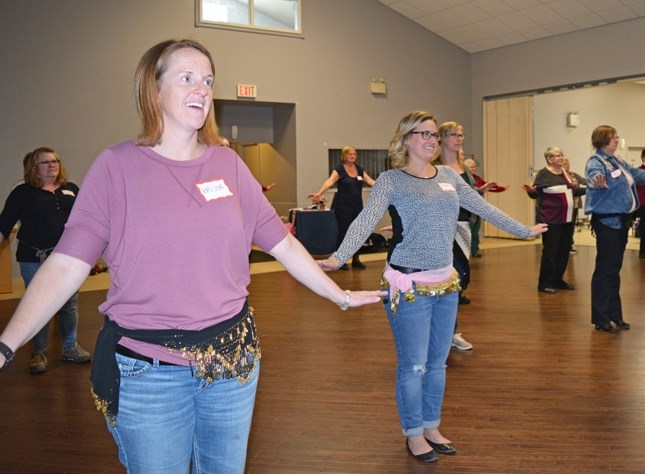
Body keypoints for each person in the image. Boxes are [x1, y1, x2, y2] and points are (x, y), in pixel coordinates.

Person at [0, 39, 383, 472]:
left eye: (207, 80)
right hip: (150, 372)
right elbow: (67, 264)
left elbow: (283, 243)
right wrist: (5, 345)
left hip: (233, 362)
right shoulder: (116, 167)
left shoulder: (229, 165)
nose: (201, 88)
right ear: (153, 88)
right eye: (186, 78)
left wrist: (340, 296)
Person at [320, 111, 546, 463]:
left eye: (434, 136)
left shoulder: (449, 177)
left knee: (437, 362)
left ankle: (431, 425)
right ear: (406, 139)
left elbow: (481, 207)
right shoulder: (391, 180)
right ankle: (413, 432)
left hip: (446, 282)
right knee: (414, 365)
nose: (431, 140)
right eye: (423, 134)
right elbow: (366, 220)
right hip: (409, 284)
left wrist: (523, 230)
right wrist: (339, 257)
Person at [0, 147, 91, 374]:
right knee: (39, 304)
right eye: (45, 162)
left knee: (69, 304)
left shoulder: (71, 189)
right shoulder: (22, 192)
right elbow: (4, 225)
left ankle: (70, 347)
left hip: (68, 258)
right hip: (34, 257)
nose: (52, 165)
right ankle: (39, 352)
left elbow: (88, 220)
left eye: (55, 161)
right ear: (34, 167)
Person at [584, 125, 645, 333]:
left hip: (622, 221)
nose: (617, 140)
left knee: (614, 271)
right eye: (614, 137)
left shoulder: (618, 160)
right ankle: (601, 318)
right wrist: (597, 181)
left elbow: (637, 175)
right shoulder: (596, 161)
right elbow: (593, 177)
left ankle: (615, 316)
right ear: (603, 139)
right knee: (605, 272)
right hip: (608, 222)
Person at [523, 146, 585, 294]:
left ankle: (558, 280)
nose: (561, 157)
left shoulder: (564, 172)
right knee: (551, 251)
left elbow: (573, 191)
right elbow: (535, 194)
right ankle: (544, 283)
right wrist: (531, 192)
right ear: (549, 158)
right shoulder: (543, 174)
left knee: (563, 251)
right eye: (558, 155)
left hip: (567, 219)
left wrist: (592, 190)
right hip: (551, 219)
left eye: (562, 154)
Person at [435, 122, 475, 351]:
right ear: (442, 138)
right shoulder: (435, 168)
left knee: (459, 280)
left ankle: (450, 332)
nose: (459, 139)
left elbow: (468, 196)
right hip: (441, 229)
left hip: (463, 227)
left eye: (461, 135)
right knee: (445, 279)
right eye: (453, 135)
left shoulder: (463, 168)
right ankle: (441, 335)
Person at [309, 146, 376, 269]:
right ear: (344, 156)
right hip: (343, 207)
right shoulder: (339, 169)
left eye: (354, 154)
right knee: (344, 233)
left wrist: (385, 186)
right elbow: (329, 182)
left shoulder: (359, 169)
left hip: (357, 206)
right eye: (350, 154)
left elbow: (370, 181)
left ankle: (356, 259)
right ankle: (341, 260)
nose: (352, 156)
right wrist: (319, 193)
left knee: (357, 233)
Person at [463, 156, 506, 257]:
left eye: (474, 167)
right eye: (471, 167)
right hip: (467, 209)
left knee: (475, 231)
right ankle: (465, 251)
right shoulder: (463, 179)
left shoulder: (477, 179)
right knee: (467, 231)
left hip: (477, 208)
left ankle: (475, 250)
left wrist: (502, 188)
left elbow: (488, 186)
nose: (474, 169)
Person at [563, 158, 586, 253]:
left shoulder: (574, 175)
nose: (567, 165)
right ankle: (564, 245)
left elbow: (585, 181)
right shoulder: (560, 176)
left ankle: (569, 244)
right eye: (565, 163)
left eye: (568, 163)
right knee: (565, 226)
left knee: (571, 226)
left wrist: (595, 183)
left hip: (575, 205)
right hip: (565, 205)